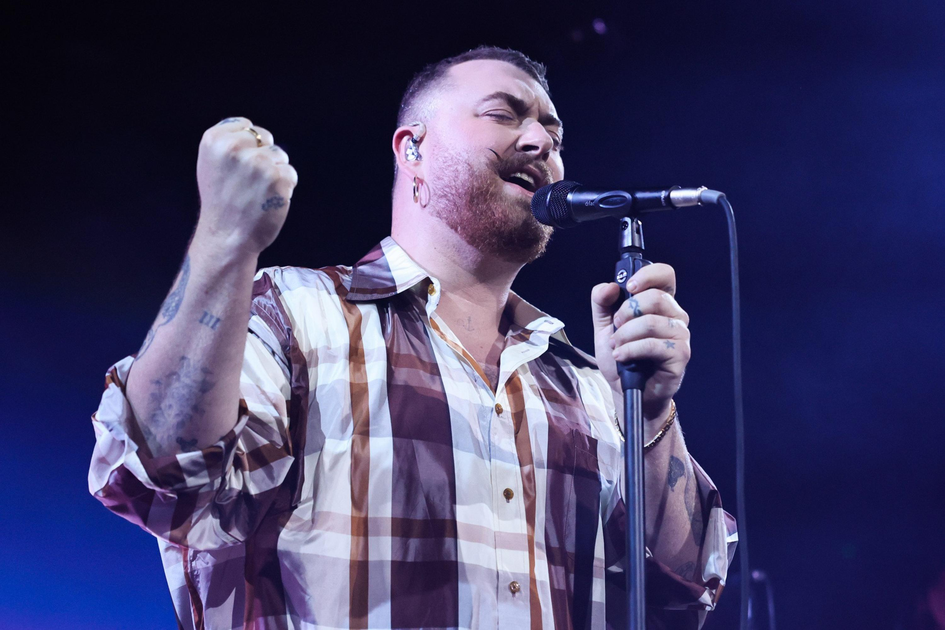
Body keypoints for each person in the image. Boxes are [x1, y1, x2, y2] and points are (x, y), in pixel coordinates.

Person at [89, 46, 735, 630]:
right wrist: (224, 243)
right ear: (411, 149)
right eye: (505, 114)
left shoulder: (585, 386)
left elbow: (681, 594)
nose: (540, 140)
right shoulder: (296, 314)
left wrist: (650, 414)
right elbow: (163, 477)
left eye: (552, 131)